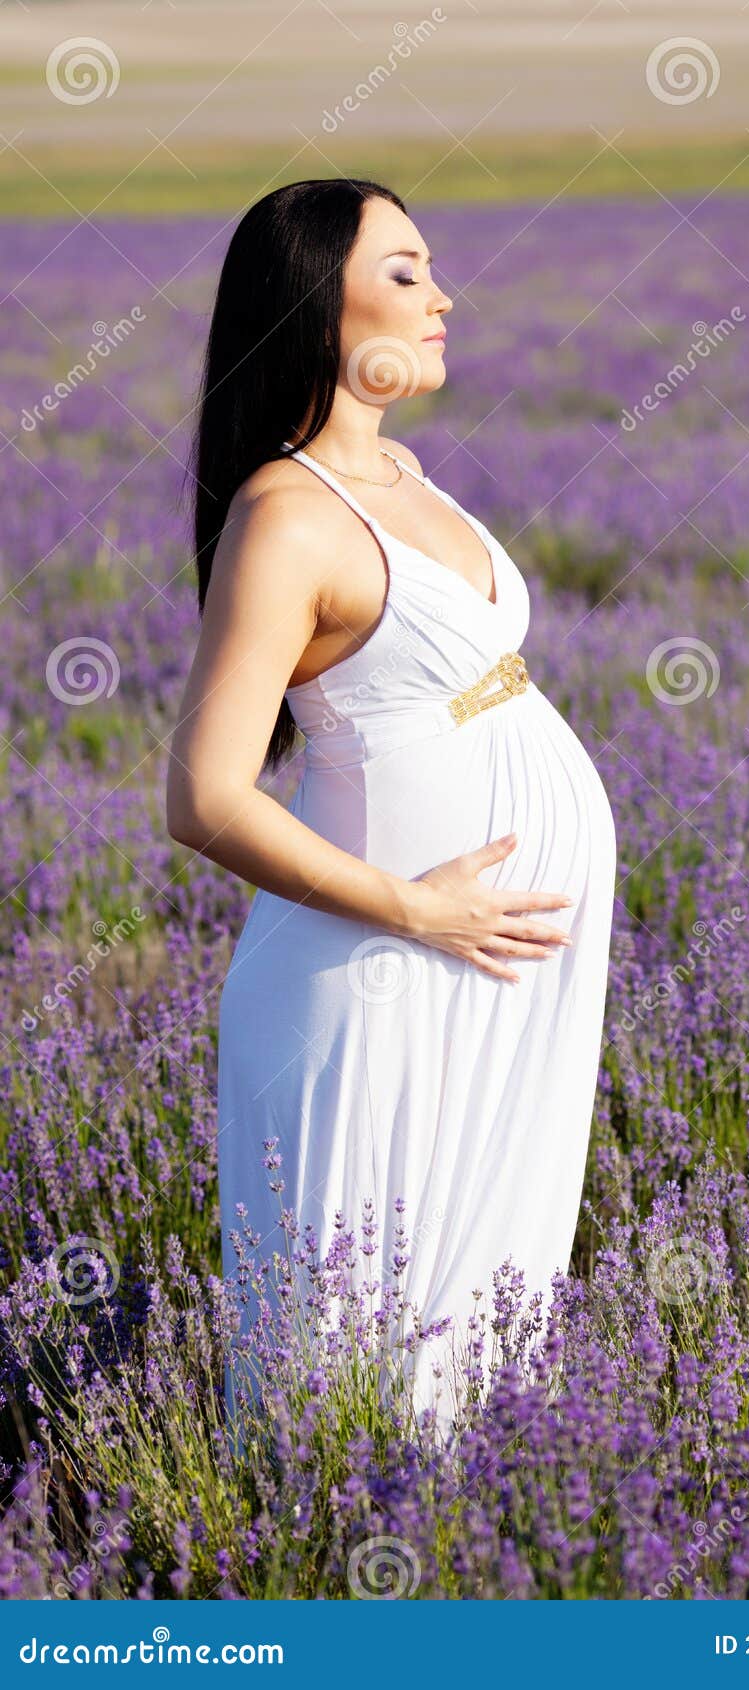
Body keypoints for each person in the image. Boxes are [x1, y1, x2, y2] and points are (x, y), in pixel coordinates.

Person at [166, 179, 616, 1445]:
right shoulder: (285, 517)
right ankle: (325, 1560)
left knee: (477, 1326)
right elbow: (201, 795)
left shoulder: (407, 475)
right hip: (376, 975)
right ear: (319, 303)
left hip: (486, 972)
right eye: (406, 273)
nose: (441, 298)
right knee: (357, 1350)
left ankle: (446, 1557)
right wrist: (416, 909)